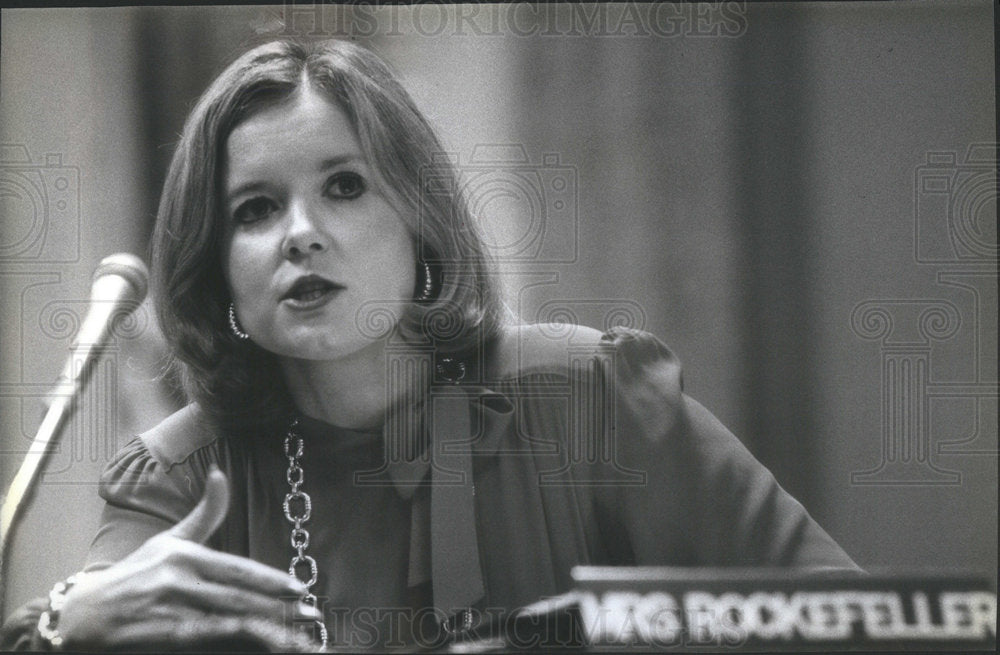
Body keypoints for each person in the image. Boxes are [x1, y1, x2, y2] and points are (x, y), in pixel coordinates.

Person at [1, 39, 860, 651]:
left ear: (419, 222)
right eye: (254, 209)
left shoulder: (589, 397)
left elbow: (845, 619)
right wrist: (61, 626)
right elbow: (84, 612)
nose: (300, 234)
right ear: (218, 272)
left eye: (344, 187)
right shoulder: (180, 478)